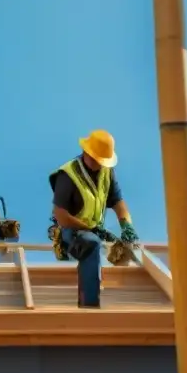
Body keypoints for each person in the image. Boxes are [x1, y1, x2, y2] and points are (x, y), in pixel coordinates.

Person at [48, 129, 139, 308]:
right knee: (91, 243)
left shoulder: (106, 172)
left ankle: (105, 289)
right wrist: (91, 230)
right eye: (97, 160)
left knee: (123, 249)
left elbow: (118, 203)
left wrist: (127, 226)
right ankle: (89, 306)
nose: (99, 164)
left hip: (94, 231)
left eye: (102, 161)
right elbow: (61, 216)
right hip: (70, 232)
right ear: (86, 152)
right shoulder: (68, 175)